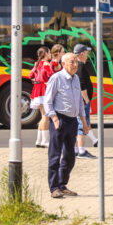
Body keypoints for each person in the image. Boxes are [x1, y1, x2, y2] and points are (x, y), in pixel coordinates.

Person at [43, 52, 89, 199]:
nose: (75, 65)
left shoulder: (76, 79)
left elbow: (80, 102)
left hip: (72, 121)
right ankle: (54, 187)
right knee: (55, 155)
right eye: (72, 62)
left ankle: (62, 184)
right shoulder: (56, 78)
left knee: (70, 156)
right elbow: (47, 101)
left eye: (76, 62)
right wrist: (55, 119)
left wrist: (84, 122)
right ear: (63, 64)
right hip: (60, 120)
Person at [73, 44, 97, 158]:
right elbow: (82, 85)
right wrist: (87, 100)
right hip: (83, 100)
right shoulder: (81, 66)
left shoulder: (76, 65)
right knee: (82, 124)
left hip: (79, 100)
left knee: (79, 123)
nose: (88, 55)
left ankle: (76, 149)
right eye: (86, 53)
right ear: (81, 54)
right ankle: (81, 151)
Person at [28, 46, 53, 148]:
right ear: (46, 53)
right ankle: (45, 141)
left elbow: (30, 75)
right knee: (45, 116)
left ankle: (39, 140)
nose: (50, 54)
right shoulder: (46, 64)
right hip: (43, 90)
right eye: (49, 52)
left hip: (37, 90)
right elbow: (51, 75)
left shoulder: (37, 64)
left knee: (43, 116)